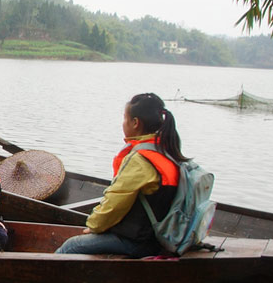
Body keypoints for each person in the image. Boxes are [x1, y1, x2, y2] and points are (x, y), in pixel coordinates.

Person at [56, 93, 186, 257]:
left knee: (71, 245)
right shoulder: (166, 151)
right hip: (157, 238)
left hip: (139, 243)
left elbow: (116, 202)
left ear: (135, 122)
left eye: (125, 118)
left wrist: (94, 226)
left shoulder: (140, 160)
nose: (123, 123)